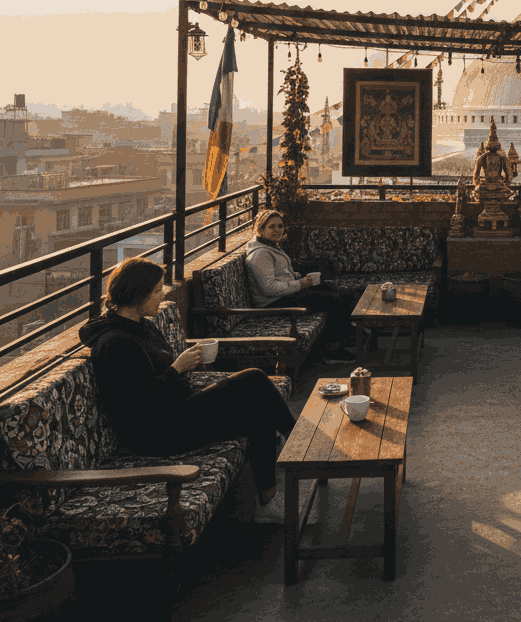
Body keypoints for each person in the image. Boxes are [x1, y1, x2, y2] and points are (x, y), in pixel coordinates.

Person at [80, 257, 297, 505]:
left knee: (259, 412)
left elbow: (163, 374)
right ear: (137, 293)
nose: (161, 296)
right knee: (254, 378)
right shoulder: (114, 343)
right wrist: (177, 369)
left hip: (179, 409)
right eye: (157, 290)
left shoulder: (142, 326)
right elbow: (137, 406)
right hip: (156, 432)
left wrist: (185, 368)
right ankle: (297, 444)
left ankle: (268, 493)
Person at [245, 209, 353, 361]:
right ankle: (333, 350)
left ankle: (347, 334)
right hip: (272, 303)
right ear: (260, 229)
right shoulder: (260, 254)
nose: (277, 230)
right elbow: (269, 288)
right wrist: (301, 284)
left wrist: (298, 278)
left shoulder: (270, 246)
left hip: (283, 294)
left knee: (330, 287)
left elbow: (280, 274)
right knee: (332, 300)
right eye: (272, 227)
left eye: (280, 226)